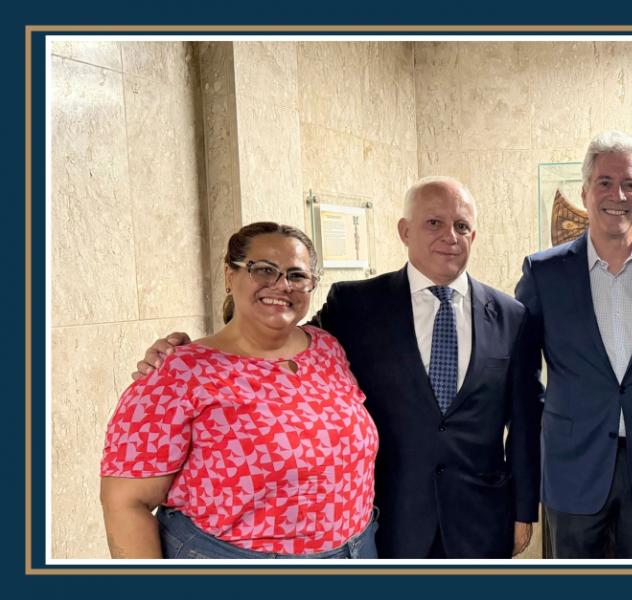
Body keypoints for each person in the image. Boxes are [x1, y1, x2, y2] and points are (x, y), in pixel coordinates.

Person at [132, 178, 541, 559]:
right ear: (404, 230)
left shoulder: (511, 315)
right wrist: (184, 355)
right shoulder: (355, 305)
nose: (449, 237)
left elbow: (524, 422)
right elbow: (274, 339)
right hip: (389, 517)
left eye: (462, 226)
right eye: (434, 222)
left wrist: (524, 511)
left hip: (481, 517)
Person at [102, 222, 379, 559]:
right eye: (263, 270)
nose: (281, 285)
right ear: (229, 276)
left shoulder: (326, 349)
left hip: (357, 553)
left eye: (297, 275)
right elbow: (125, 502)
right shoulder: (179, 373)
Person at [515, 131, 632, 558]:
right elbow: (523, 374)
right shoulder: (544, 273)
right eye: (605, 182)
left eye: (630, 183)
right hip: (572, 466)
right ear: (585, 191)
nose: (618, 194)